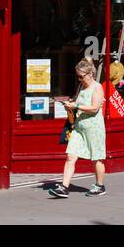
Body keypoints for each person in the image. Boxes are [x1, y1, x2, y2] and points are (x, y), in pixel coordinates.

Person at [50, 58, 106, 198]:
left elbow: (94, 108)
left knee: (96, 158)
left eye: (81, 76)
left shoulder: (97, 87)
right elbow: (78, 103)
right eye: (78, 76)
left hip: (94, 128)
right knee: (70, 156)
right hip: (79, 127)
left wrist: (76, 106)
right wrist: (70, 105)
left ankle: (100, 186)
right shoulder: (81, 87)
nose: (80, 79)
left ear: (90, 74)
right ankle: (64, 187)